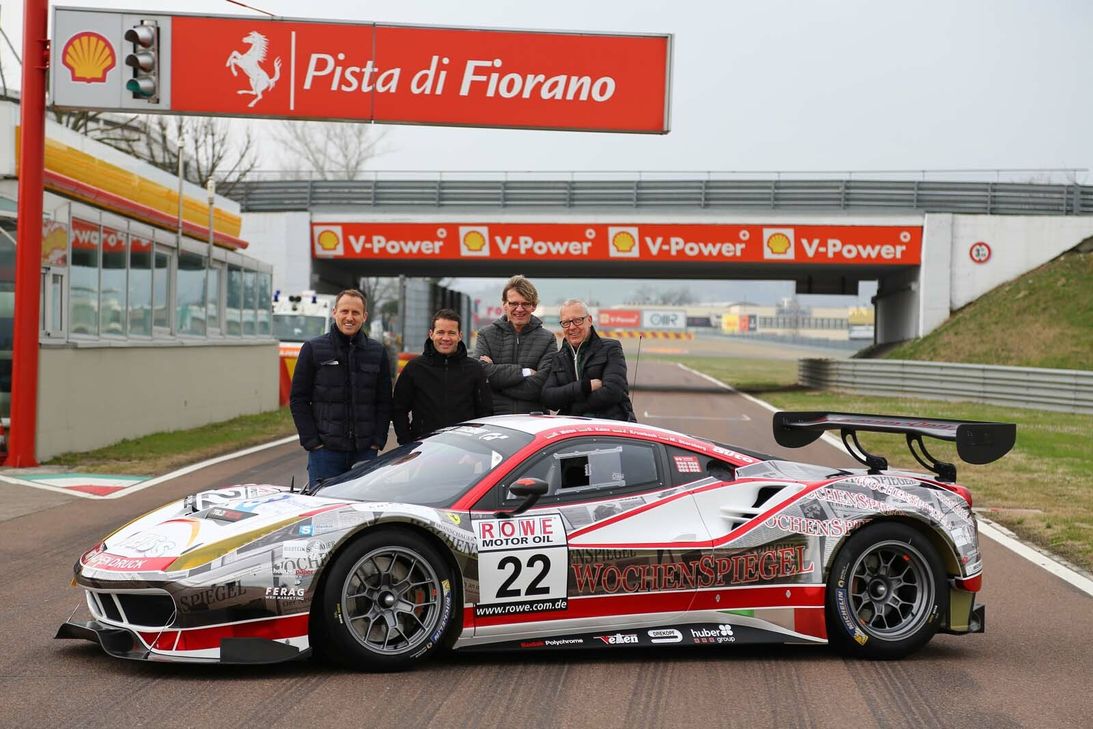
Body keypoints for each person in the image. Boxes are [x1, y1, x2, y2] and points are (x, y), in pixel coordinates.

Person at [290, 289, 392, 486]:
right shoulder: (313, 349)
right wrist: (312, 442)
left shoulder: (377, 352)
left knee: (362, 505)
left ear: (364, 316)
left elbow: (384, 401)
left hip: (365, 453)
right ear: (334, 312)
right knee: (324, 506)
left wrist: (377, 441)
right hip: (325, 454)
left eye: (355, 313)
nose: (349, 317)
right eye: (344, 311)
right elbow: (298, 399)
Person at [392, 308, 493, 445]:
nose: (446, 338)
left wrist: (477, 445)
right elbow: (399, 409)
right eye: (440, 332)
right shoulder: (414, 368)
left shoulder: (475, 369)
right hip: (423, 448)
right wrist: (406, 443)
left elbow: (485, 412)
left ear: (460, 336)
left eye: (451, 333)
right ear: (431, 334)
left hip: (465, 449)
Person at [542, 299, 636, 421]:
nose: (572, 327)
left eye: (577, 320)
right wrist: (585, 387)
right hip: (574, 428)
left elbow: (613, 392)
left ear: (589, 320)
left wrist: (573, 409)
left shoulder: (611, 348)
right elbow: (548, 398)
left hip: (610, 425)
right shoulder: (559, 357)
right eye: (566, 323)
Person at [474, 274, 557, 414]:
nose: (519, 309)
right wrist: (524, 372)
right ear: (504, 305)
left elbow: (540, 386)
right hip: (493, 419)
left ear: (534, 306)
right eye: (513, 303)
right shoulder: (486, 334)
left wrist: (495, 383)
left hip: (533, 419)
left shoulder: (548, 339)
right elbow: (480, 373)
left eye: (525, 304)